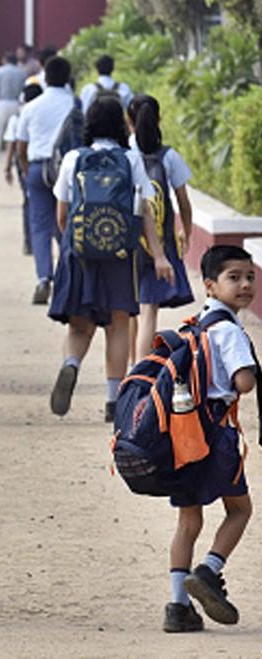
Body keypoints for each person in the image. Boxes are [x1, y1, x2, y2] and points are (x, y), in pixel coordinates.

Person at [47, 97, 173, 422]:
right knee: (118, 326)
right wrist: (158, 255)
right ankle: (113, 401)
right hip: (120, 255)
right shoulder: (130, 159)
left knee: (80, 326)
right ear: (121, 124)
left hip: (80, 253)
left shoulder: (74, 158)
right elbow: (145, 209)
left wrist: (73, 245)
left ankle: (70, 364)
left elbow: (62, 213)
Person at [162, 245, 255, 634]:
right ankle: (209, 570)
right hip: (216, 436)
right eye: (234, 277)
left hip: (185, 436)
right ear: (211, 285)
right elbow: (243, 384)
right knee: (240, 511)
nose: (246, 284)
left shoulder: (196, 322)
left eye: (250, 277)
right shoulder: (229, 330)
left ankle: (177, 607)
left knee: (189, 521)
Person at [128, 94, 195, 362]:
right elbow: (183, 202)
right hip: (158, 243)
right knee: (149, 312)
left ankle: (130, 366)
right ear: (160, 118)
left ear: (128, 120)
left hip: (129, 242)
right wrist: (186, 233)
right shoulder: (168, 156)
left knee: (129, 311)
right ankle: (142, 374)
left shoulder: (125, 153)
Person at [16, 56, 79, 305]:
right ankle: (68, 276)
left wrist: (25, 170)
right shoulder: (75, 104)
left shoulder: (31, 106)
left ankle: (44, 277)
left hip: (38, 167)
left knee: (39, 225)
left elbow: (22, 146)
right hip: (69, 169)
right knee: (67, 223)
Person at [3, 83, 44, 256]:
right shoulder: (45, 114)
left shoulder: (18, 116)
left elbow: (13, 143)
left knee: (29, 201)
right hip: (41, 161)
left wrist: (8, 166)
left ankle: (29, 242)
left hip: (24, 162)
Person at [0, 51, 28, 167]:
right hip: (16, 103)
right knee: (15, 132)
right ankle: (14, 158)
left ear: (5, 60)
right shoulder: (22, 72)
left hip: (1, 103)